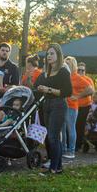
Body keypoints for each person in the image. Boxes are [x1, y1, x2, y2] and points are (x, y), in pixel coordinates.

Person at [31, 44, 72, 173]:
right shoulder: (46, 72)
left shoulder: (63, 71)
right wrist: (39, 88)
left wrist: (48, 89)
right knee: (51, 137)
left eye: (52, 53)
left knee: (53, 137)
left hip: (58, 105)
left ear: (58, 55)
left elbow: (68, 92)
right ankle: (58, 167)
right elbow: (36, 85)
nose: (49, 56)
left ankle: (53, 168)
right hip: (46, 104)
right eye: (48, 54)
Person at [68, 61, 95, 156]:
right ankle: (72, 144)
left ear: (85, 71)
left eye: (82, 70)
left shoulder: (88, 80)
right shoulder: (72, 78)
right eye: (78, 70)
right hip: (72, 105)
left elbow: (92, 91)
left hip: (84, 106)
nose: (80, 72)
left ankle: (78, 145)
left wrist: (78, 96)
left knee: (80, 125)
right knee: (72, 125)